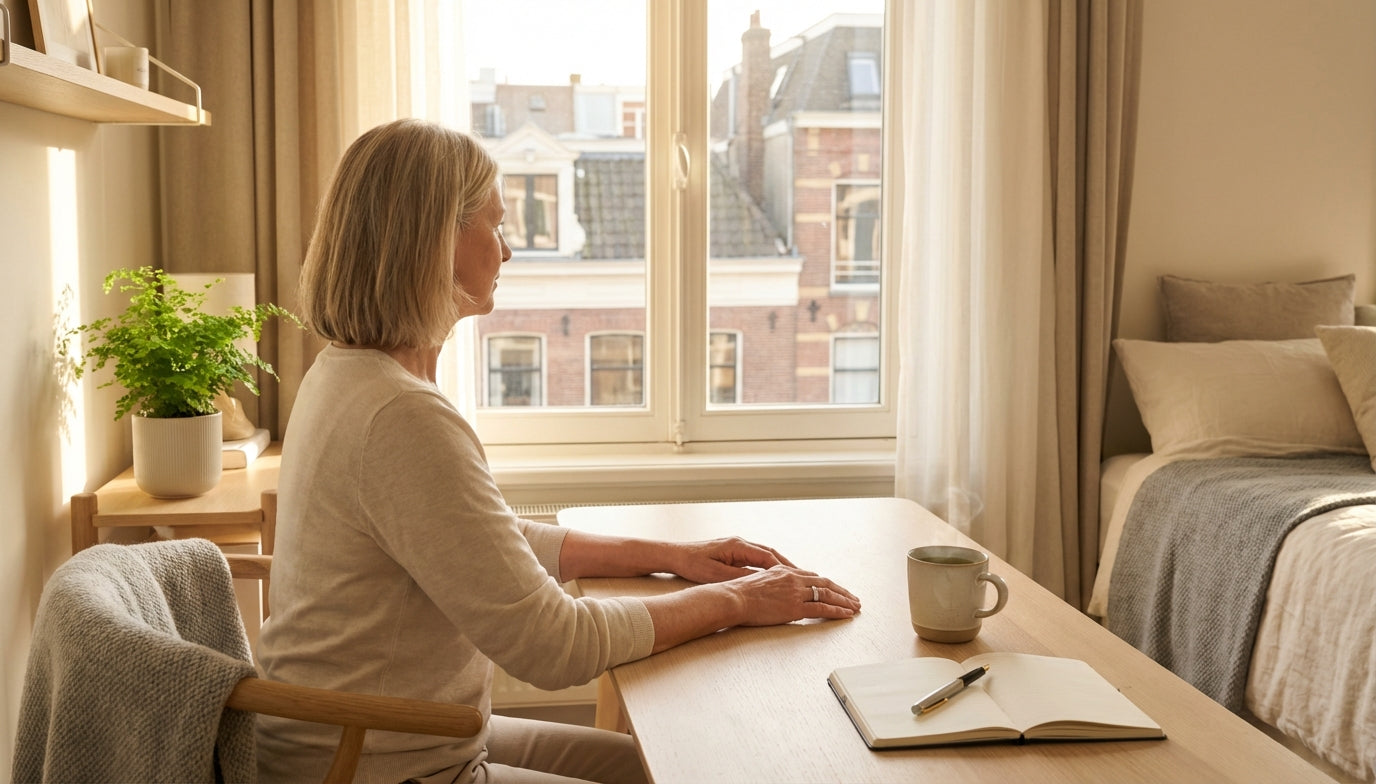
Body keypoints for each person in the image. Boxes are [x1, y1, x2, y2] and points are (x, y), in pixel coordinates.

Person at [255, 118, 861, 784]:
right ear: (436, 241)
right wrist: (743, 602)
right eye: (497, 225)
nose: (508, 251)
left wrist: (672, 558)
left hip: (378, 738)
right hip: (371, 764)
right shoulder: (399, 414)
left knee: (665, 766)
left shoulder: (347, 374)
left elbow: (476, 538)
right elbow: (554, 645)